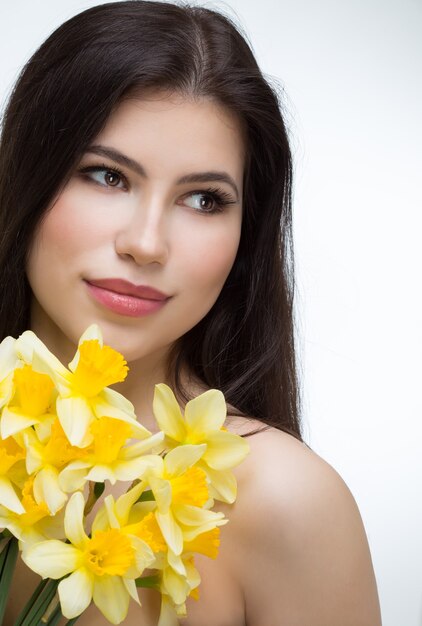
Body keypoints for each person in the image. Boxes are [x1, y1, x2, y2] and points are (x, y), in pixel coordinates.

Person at [0, 1, 382, 624]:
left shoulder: (289, 504)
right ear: (25, 176)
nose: (146, 243)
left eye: (204, 199)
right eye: (106, 176)